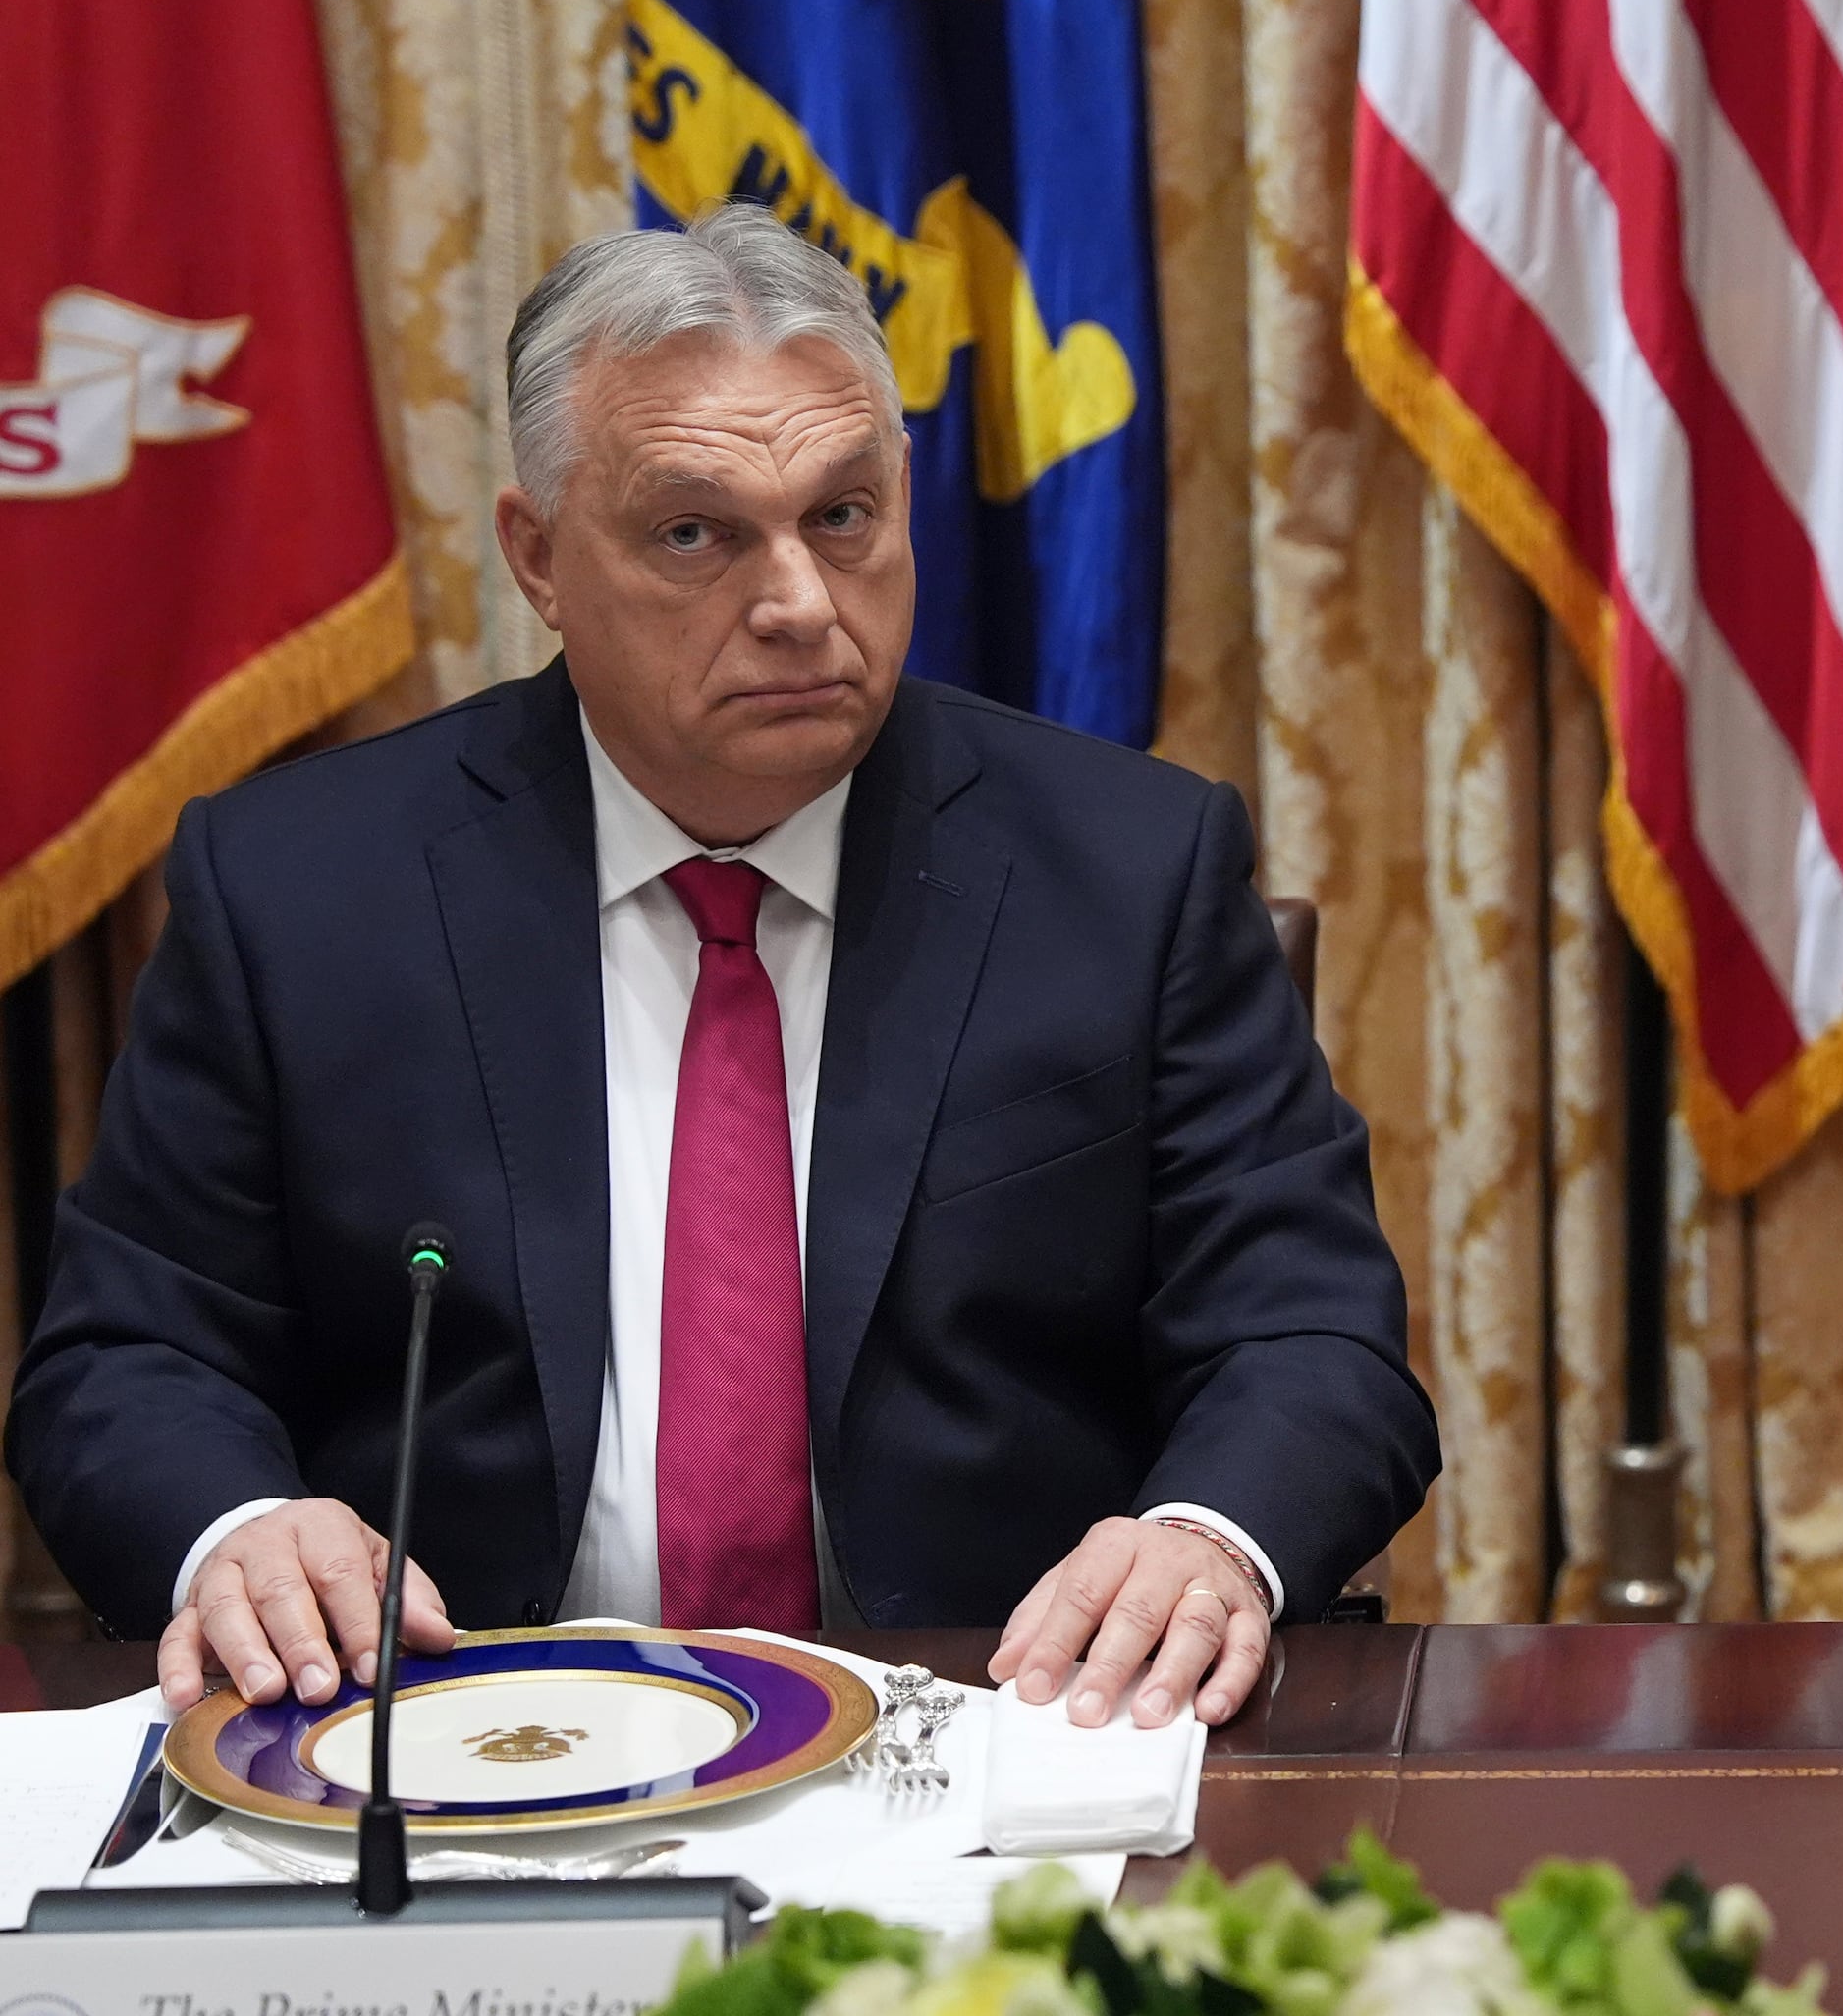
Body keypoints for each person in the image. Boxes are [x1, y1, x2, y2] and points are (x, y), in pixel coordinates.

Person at [8, 203, 1436, 1728]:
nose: (801, 606)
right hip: (455, 1745)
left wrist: (1204, 1540)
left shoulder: (1130, 870)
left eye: (845, 516)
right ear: (540, 557)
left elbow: (1311, 1334)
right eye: (696, 532)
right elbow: (126, 1356)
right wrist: (243, 1535)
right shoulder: (302, 891)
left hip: (1001, 1736)